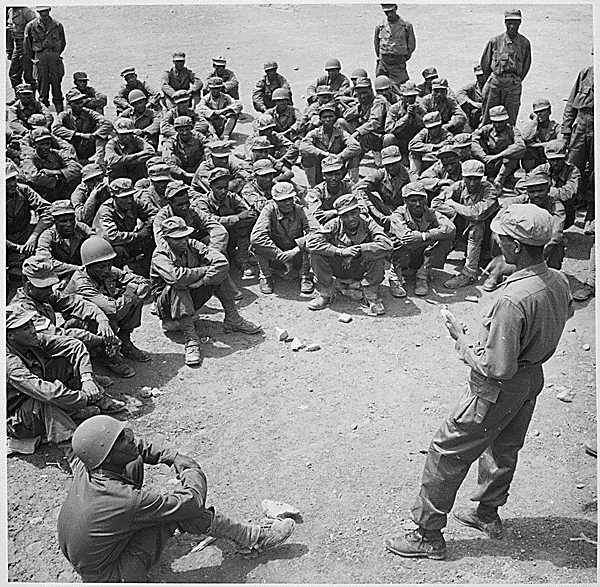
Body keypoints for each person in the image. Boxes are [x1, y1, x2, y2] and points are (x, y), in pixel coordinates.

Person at [385, 203, 573, 560]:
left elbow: (498, 367)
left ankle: (427, 535)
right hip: (531, 378)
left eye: (502, 239)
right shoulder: (558, 279)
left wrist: (462, 340)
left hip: (499, 386)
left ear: (516, 247)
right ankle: (487, 513)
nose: (498, 243)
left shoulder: (512, 298)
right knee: (504, 447)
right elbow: (565, 312)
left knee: (446, 451)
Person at [57, 415, 295, 582]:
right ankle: (252, 538)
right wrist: (189, 468)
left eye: (125, 433)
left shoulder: (87, 464)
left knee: (133, 460)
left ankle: (246, 537)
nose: (130, 438)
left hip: (94, 563)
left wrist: (170, 456)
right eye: (121, 438)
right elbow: (192, 502)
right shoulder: (125, 500)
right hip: (117, 577)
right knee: (177, 514)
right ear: (106, 455)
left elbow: (136, 447)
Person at [6, 306, 125, 450]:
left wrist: (87, 379)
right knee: (47, 401)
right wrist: (83, 397)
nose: (33, 330)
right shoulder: (9, 363)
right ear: (10, 336)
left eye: (31, 324)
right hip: (18, 418)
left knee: (63, 363)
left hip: (33, 396)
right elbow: (46, 393)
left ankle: (82, 405)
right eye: (25, 328)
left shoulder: (32, 340)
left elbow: (74, 345)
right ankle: (74, 451)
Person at [151, 217, 261, 365]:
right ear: (166, 239)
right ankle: (191, 340)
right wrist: (204, 270)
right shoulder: (160, 254)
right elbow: (175, 278)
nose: (183, 241)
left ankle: (233, 319)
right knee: (179, 286)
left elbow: (221, 262)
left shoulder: (192, 244)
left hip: (192, 293)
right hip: (168, 305)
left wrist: (204, 280)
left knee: (220, 273)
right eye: (177, 239)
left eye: (184, 236)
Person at [11, 254, 131, 384]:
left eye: (51, 286)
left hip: (49, 347)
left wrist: (102, 320)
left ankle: (88, 369)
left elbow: (78, 302)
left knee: (86, 320)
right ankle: (82, 379)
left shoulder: (41, 295)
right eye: (45, 287)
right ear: (29, 285)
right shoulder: (22, 310)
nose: (51, 291)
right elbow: (58, 336)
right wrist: (101, 340)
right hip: (37, 359)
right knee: (72, 344)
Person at [65, 237, 152, 364]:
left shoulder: (108, 271)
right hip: (79, 320)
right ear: (89, 266)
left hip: (103, 311)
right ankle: (108, 355)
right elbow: (112, 310)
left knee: (134, 300)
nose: (107, 270)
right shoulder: (82, 282)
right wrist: (130, 293)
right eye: (101, 267)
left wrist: (134, 293)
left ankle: (125, 343)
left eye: (109, 264)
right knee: (111, 313)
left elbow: (142, 282)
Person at [307, 194, 393, 315]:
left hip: (360, 267)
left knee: (377, 254)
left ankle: (371, 295)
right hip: (339, 266)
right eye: (346, 216)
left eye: (353, 213)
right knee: (316, 254)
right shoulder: (333, 224)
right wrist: (340, 252)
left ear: (359, 211)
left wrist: (359, 249)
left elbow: (387, 244)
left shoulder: (368, 223)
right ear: (340, 217)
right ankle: (325, 293)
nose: (351, 218)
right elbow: (311, 243)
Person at [431, 159, 499, 289]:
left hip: (489, 236)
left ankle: (469, 273)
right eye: (469, 179)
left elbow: (476, 214)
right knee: (446, 219)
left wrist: (454, 204)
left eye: (476, 179)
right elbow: (436, 203)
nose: (472, 183)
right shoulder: (459, 186)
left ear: (482, 178)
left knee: (475, 225)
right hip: (465, 230)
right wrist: (455, 213)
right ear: (463, 177)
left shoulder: (489, 190)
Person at [388, 181, 455, 297]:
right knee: (399, 243)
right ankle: (395, 276)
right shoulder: (398, 215)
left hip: (420, 254)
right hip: (403, 256)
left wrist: (425, 236)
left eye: (421, 199)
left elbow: (450, 228)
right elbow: (407, 238)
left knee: (446, 239)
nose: (418, 204)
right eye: (413, 200)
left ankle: (422, 276)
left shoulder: (430, 212)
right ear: (405, 201)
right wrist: (431, 239)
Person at [250, 182, 314, 296]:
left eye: (290, 198)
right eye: (283, 200)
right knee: (257, 245)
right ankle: (265, 275)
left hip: (297, 256)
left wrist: (294, 250)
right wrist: (281, 256)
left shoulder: (300, 210)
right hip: (274, 256)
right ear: (275, 201)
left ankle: (305, 275)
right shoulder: (269, 210)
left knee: (314, 243)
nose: (288, 202)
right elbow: (257, 237)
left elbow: (316, 232)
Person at [195, 167, 258, 279]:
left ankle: (242, 260)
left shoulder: (232, 197)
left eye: (225, 187)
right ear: (211, 187)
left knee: (249, 220)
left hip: (231, 236)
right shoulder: (201, 202)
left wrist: (243, 216)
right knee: (217, 234)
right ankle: (214, 265)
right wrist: (236, 217)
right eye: (219, 188)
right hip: (210, 239)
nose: (223, 191)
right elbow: (210, 221)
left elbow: (246, 212)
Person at [93, 177, 156, 277]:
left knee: (151, 238)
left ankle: (145, 270)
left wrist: (148, 226)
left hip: (127, 240)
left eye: (131, 196)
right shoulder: (106, 211)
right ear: (114, 197)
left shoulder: (134, 203)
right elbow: (112, 237)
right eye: (124, 197)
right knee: (118, 249)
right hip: (104, 247)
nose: (129, 200)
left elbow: (155, 213)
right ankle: (116, 276)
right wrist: (138, 235)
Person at [480, 9, 532, 126]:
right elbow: (485, 64)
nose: (512, 26)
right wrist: (496, 78)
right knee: (488, 117)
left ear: (520, 23)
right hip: (496, 83)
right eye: (509, 23)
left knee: (510, 118)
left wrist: (515, 79)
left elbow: (526, 65)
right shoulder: (495, 41)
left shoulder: (525, 43)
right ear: (505, 23)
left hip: (513, 85)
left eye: (515, 23)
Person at [6, 159, 52, 277]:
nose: (12, 184)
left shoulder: (23, 190)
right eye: (6, 181)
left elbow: (48, 211)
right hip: (6, 240)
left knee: (51, 230)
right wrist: (16, 247)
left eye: (13, 179)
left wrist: (33, 237)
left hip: (26, 234)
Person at [153, 181, 229, 251]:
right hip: (176, 252)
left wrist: (212, 253)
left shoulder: (193, 211)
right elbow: (161, 243)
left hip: (195, 248)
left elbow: (219, 230)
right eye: (180, 205)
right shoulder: (162, 217)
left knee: (212, 239)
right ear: (169, 203)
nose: (185, 207)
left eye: (187, 202)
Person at [561, 65, 594, 231]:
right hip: (581, 126)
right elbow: (571, 106)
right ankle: (568, 210)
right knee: (571, 166)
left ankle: (592, 214)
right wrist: (566, 133)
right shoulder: (586, 74)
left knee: (596, 173)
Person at [300, 103, 361, 186]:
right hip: (320, 169)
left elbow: (355, 146)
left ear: (335, 118)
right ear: (320, 119)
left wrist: (340, 156)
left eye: (331, 116)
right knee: (306, 157)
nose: (328, 119)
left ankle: (354, 186)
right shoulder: (314, 133)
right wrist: (325, 154)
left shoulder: (341, 133)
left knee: (354, 156)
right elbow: (303, 146)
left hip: (338, 167)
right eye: (324, 117)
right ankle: (313, 186)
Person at [354, 145, 411, 230]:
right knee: (362, 196)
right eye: (388, 165)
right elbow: (358, 188)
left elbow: (416, 200)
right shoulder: (380, 174)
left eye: (394, 164)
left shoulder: (409, 175)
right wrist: (372, 208)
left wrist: (397, 216)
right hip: (386, 210)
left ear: (400, 161)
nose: (391, 168)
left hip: (406, 212)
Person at [527, 139, 580, 229]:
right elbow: (521, 185)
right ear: (547, 159)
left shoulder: (572, 171)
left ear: (565, 158)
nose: (555, 163)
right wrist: (539, 192)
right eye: (552, 159)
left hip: (564, 211)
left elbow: (568, 194)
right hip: (542, 206)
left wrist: (543, 190)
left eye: (559, 159)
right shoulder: (542, 169)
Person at [36, 200, 94, 281]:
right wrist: (78, 269)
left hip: (84, 274)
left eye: (71, 220)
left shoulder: (81, 228)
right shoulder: (46, 237)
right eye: (63, 221)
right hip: (57, 278)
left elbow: (97, 242)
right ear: (54, 221)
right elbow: (46, 263)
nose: (69, 224)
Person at [52, 89, 113, 166]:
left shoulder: (88, 112)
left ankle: (99, 161)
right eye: (76, 103)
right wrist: (79, 135)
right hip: (72, 146)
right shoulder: (64, 115)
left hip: (88, 146)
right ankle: (74, 163)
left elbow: (108, 124)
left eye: (81, 102)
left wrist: (94, 135)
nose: (80, 105)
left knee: (103, 135)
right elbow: (56, 128)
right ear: (69, 105)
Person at [471, 105, 526, 189]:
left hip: (504, 164)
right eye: (495, 122)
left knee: (512, 153)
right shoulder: (486, 129)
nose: (497, 125)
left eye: (500, 122)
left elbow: (520, 146)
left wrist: (498, 156)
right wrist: (483, 157)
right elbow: (472, 140)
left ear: (506, 120)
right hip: (488, 163)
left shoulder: (512, 130)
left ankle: (499, 180)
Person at [21, 126, 83, 201]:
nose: (46, 147)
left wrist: (55, 172)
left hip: (58, 193)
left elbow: (77, 168)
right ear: (34, 145)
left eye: (48, 143)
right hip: (39, 196)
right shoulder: (29, 159)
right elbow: (34, 178)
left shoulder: (56, 154)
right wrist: (58, 179)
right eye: (42, 144)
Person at [337, 77, 387, 169]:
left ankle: (351, 165)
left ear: (371, 91)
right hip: (368, 135)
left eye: (365, 92)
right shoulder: (363, 103)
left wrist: (357, 132)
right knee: (341, 122)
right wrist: (357, 108)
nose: (363, 96)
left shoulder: (378, 101)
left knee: (361, 139)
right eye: (360, 94)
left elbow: (375, 122)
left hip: (380, 136)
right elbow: (346, 116)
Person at [23, 6, 66, 112]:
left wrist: (55, 54)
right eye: (41, 12)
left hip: (54, 58)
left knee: (57, 87)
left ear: (49, 10)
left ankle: (60, 116)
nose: (44, 14)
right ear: (38, 12)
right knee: (42, 88)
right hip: (40, 58)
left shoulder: (57, 25)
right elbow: (27, 46)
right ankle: (44, 115)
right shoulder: (31, 26)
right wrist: (35, 58)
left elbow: (63, 42)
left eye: (45, 11)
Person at [374, 4, 416, 90]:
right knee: (381, 85)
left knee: (401, 87)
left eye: (391, 11)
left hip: (398, 62)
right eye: (386, 12)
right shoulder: (380, 26)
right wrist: (381, 57)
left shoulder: (405, 25)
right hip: (384, 62)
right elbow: (376, 44)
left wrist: (403, 58)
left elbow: (411, 45)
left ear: (396, 8)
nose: (389, 14)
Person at [383, 81, 425, 165]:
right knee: (388, 138)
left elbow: (427, 125)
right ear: (402, 97)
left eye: (412, 96)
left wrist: (415, 115)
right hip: (400, 142)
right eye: (407, 97)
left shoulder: (419, 108)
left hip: (415, 141)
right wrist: (406, 117)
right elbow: (388, 129)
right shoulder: (394, 109)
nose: (410, 99)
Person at [306, 154, 353, 227]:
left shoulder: (348, 186)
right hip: (327, 226)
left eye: (337, 174)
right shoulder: (317, 192)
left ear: (342, 174)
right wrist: (338, 212)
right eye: (329, 174)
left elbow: (362, 206)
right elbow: (315, 215)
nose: (334, 178)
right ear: (323, 175)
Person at [105, 118, 156, 183]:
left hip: (136, 176)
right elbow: (113, 161)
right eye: (124, 134)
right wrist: (138, 156)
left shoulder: (136, 139)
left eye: (130, 133)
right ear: (117, 134)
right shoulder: (111, 144)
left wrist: (123, 162)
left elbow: (151, 152)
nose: (128, 137)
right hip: (117, 179)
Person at [162, 116, 209, 184]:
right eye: (181, 130)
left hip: (198, 167)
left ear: (191, 129)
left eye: (187, 129)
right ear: (176, 130)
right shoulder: (171, 141)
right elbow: (167, 160)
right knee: (172, 158)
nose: (185, 133)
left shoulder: (198, 137)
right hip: (180, 171)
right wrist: (183, 173)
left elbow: (210, 147)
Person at [519, 98, 560, 172]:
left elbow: (560, 143)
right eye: (536, 112)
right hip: (537, 160)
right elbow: (525, 137)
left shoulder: (556, 127)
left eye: (542, 111)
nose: (539, 114)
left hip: (552, 159)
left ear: (549, 111)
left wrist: (536, 145)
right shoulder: (533, 127)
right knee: (527, 150)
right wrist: (534, 121)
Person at [197, 77, 243, 141]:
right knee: (202, 117)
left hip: (223, 122)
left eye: (218, 88)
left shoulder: (225, 97)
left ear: (221, 88)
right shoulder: (206, 98)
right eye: (213, 88)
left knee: (233, 114)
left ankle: (225, 135)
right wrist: (212, 112)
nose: (216, 91)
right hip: (211, 123)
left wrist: (224, 110)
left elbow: (238, 105)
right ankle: (213, 135)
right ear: (210, 88)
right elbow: (200, 108)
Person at [407, 111, 452, 177]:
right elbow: (411, 145)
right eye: (430, 128)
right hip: (425, 159)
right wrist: (435, 147)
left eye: (435, 127)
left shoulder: (447, 135)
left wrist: (426, 153)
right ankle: (415, 177)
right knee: (413, 154)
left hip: (438, 162)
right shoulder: (424, 132)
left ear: (440, 125)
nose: (433, 131)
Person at [7, 6, 37, 95]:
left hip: (27, 45)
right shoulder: (11, 11)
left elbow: (35, 27)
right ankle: (19, 97)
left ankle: (32, 99)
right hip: (17, 44)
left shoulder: (27, 12)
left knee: (29, 75)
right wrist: (9, 50)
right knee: (13, 74)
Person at [456, 64, 486, 131]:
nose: (480, 78)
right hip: (476, 117)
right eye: (478, 76)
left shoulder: (492, 85)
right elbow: (459, 94)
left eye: (481, 75)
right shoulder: (473, 86)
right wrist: (472, 103)